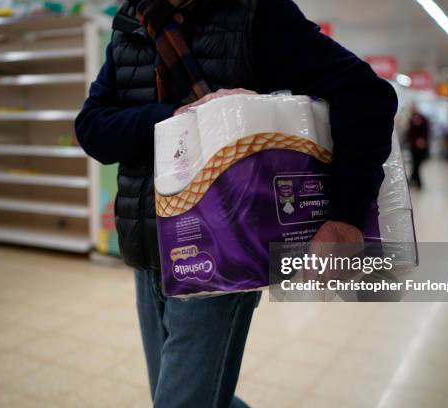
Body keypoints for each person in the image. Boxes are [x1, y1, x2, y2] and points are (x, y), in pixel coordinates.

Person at [75, 0, 397, 406]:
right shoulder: (131, 22)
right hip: (148, 247)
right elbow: (92, 127)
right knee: (190, 395)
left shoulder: (255, 14)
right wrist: (178, 118)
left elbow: (366, 95)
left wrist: (345, 216)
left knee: (180, 401)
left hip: (220, 254)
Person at [406, 103, 430, 189]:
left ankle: (412, 181)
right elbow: (409, 132)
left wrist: (422, 139)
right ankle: (416, 183)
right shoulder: (411, 119)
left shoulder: (422, 118)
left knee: (417, 164)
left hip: (420, 147)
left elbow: (426, 130)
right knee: (415, 164)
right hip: (413, 146)